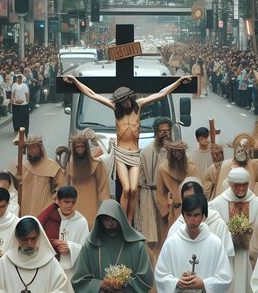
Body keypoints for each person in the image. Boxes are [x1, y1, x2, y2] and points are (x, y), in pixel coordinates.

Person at [63, 74, 192, 223]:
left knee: (134, 190)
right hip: (121, 154)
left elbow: (162, 93)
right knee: (127, 189)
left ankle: (128, 223)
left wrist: (179, 82)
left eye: (127, 100)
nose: (126, 103)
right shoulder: (115, 109)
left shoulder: (139, 105)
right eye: (122, 101)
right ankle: (122, 220)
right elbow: (92, 94)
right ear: (119, 102)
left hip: (135, 155)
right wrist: (75, 81)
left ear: (131, 98)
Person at [37, 185, 88, 293]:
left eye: (73, 202)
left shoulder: (81, 221)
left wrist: (71, 248)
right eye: (66, 202)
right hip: (52, 271)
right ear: (58, 201)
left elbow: (85, 249)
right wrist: (54, 244)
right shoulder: (50, 218)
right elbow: (39, 238)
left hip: (70, 272)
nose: (69, 206)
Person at [135, 117, 172, 247]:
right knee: (151, 238)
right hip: (150, 196)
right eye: (162, 131)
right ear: (156, 132)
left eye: (167, 131)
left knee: (168, 234)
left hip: (169, 198)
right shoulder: (145, 152)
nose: (165, 134)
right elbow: (140, 180)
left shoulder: (175, 152)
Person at [7, 135, 65, 217]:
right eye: (29, 148)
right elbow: (16, 189)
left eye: (34, 147)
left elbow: (61, 187)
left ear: (40, 148)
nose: (31, 151)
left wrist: (52, 202)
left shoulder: (52, 166)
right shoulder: (24, 167)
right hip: (25, 212)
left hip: (45, 212)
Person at [64, 133, 111, 228]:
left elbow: (103, 189)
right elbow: (66, 188)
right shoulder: (69, 167)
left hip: (93, 211)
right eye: (77, 147)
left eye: (82, 146)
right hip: (74, 209)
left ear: (87, 147)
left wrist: (105, 210)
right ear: (74, 148)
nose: (80, 149)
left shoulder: (97, 165)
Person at [156, 140, 200, 229]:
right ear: (170, 153)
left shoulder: (192, 169)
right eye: (174, 151)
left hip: (191, 210)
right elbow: (160, 194)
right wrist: (167, 210)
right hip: (173, 211)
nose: (177, 154)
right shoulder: (163, 169)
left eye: (179, 151)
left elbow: (199, 190)